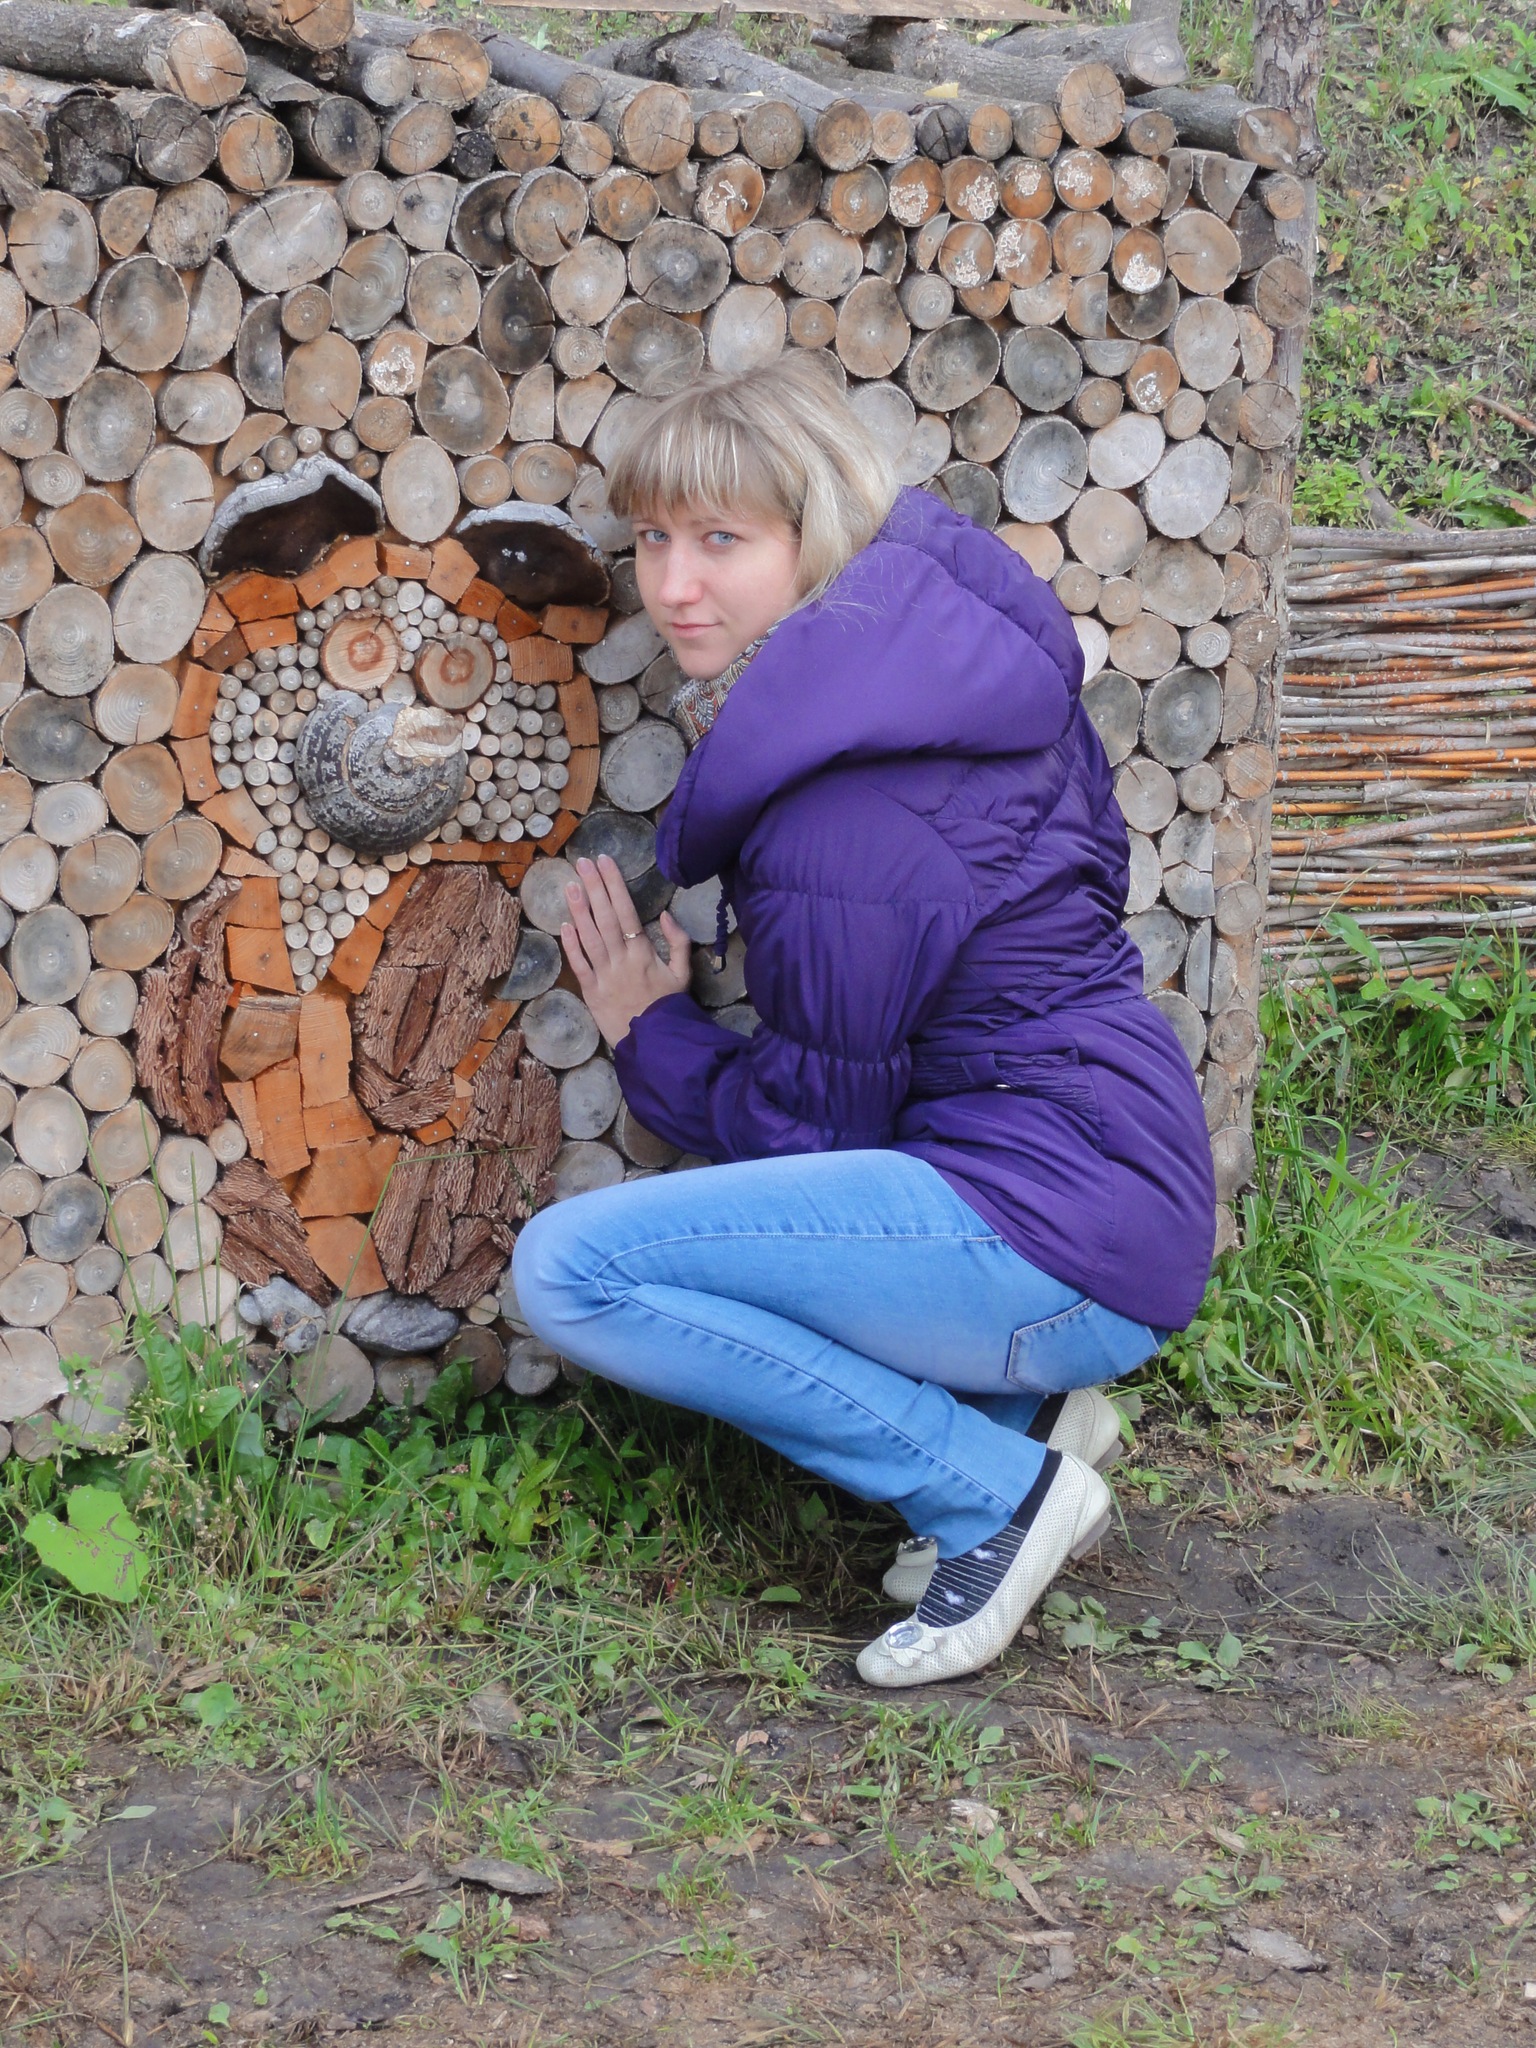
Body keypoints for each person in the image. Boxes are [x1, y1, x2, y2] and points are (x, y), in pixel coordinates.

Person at [512, 356, 1215, 1688]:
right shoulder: (955, 686)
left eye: (723, 540)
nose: (673, 586)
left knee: (569, 1272)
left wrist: (652, 1035)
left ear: (815, 536)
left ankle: (991, 1494)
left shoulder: (840, 815)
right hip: (1119, 1185)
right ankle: (1030, 1418)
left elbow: (814, 1131)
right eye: (653, 539)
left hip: (1053, 1228)